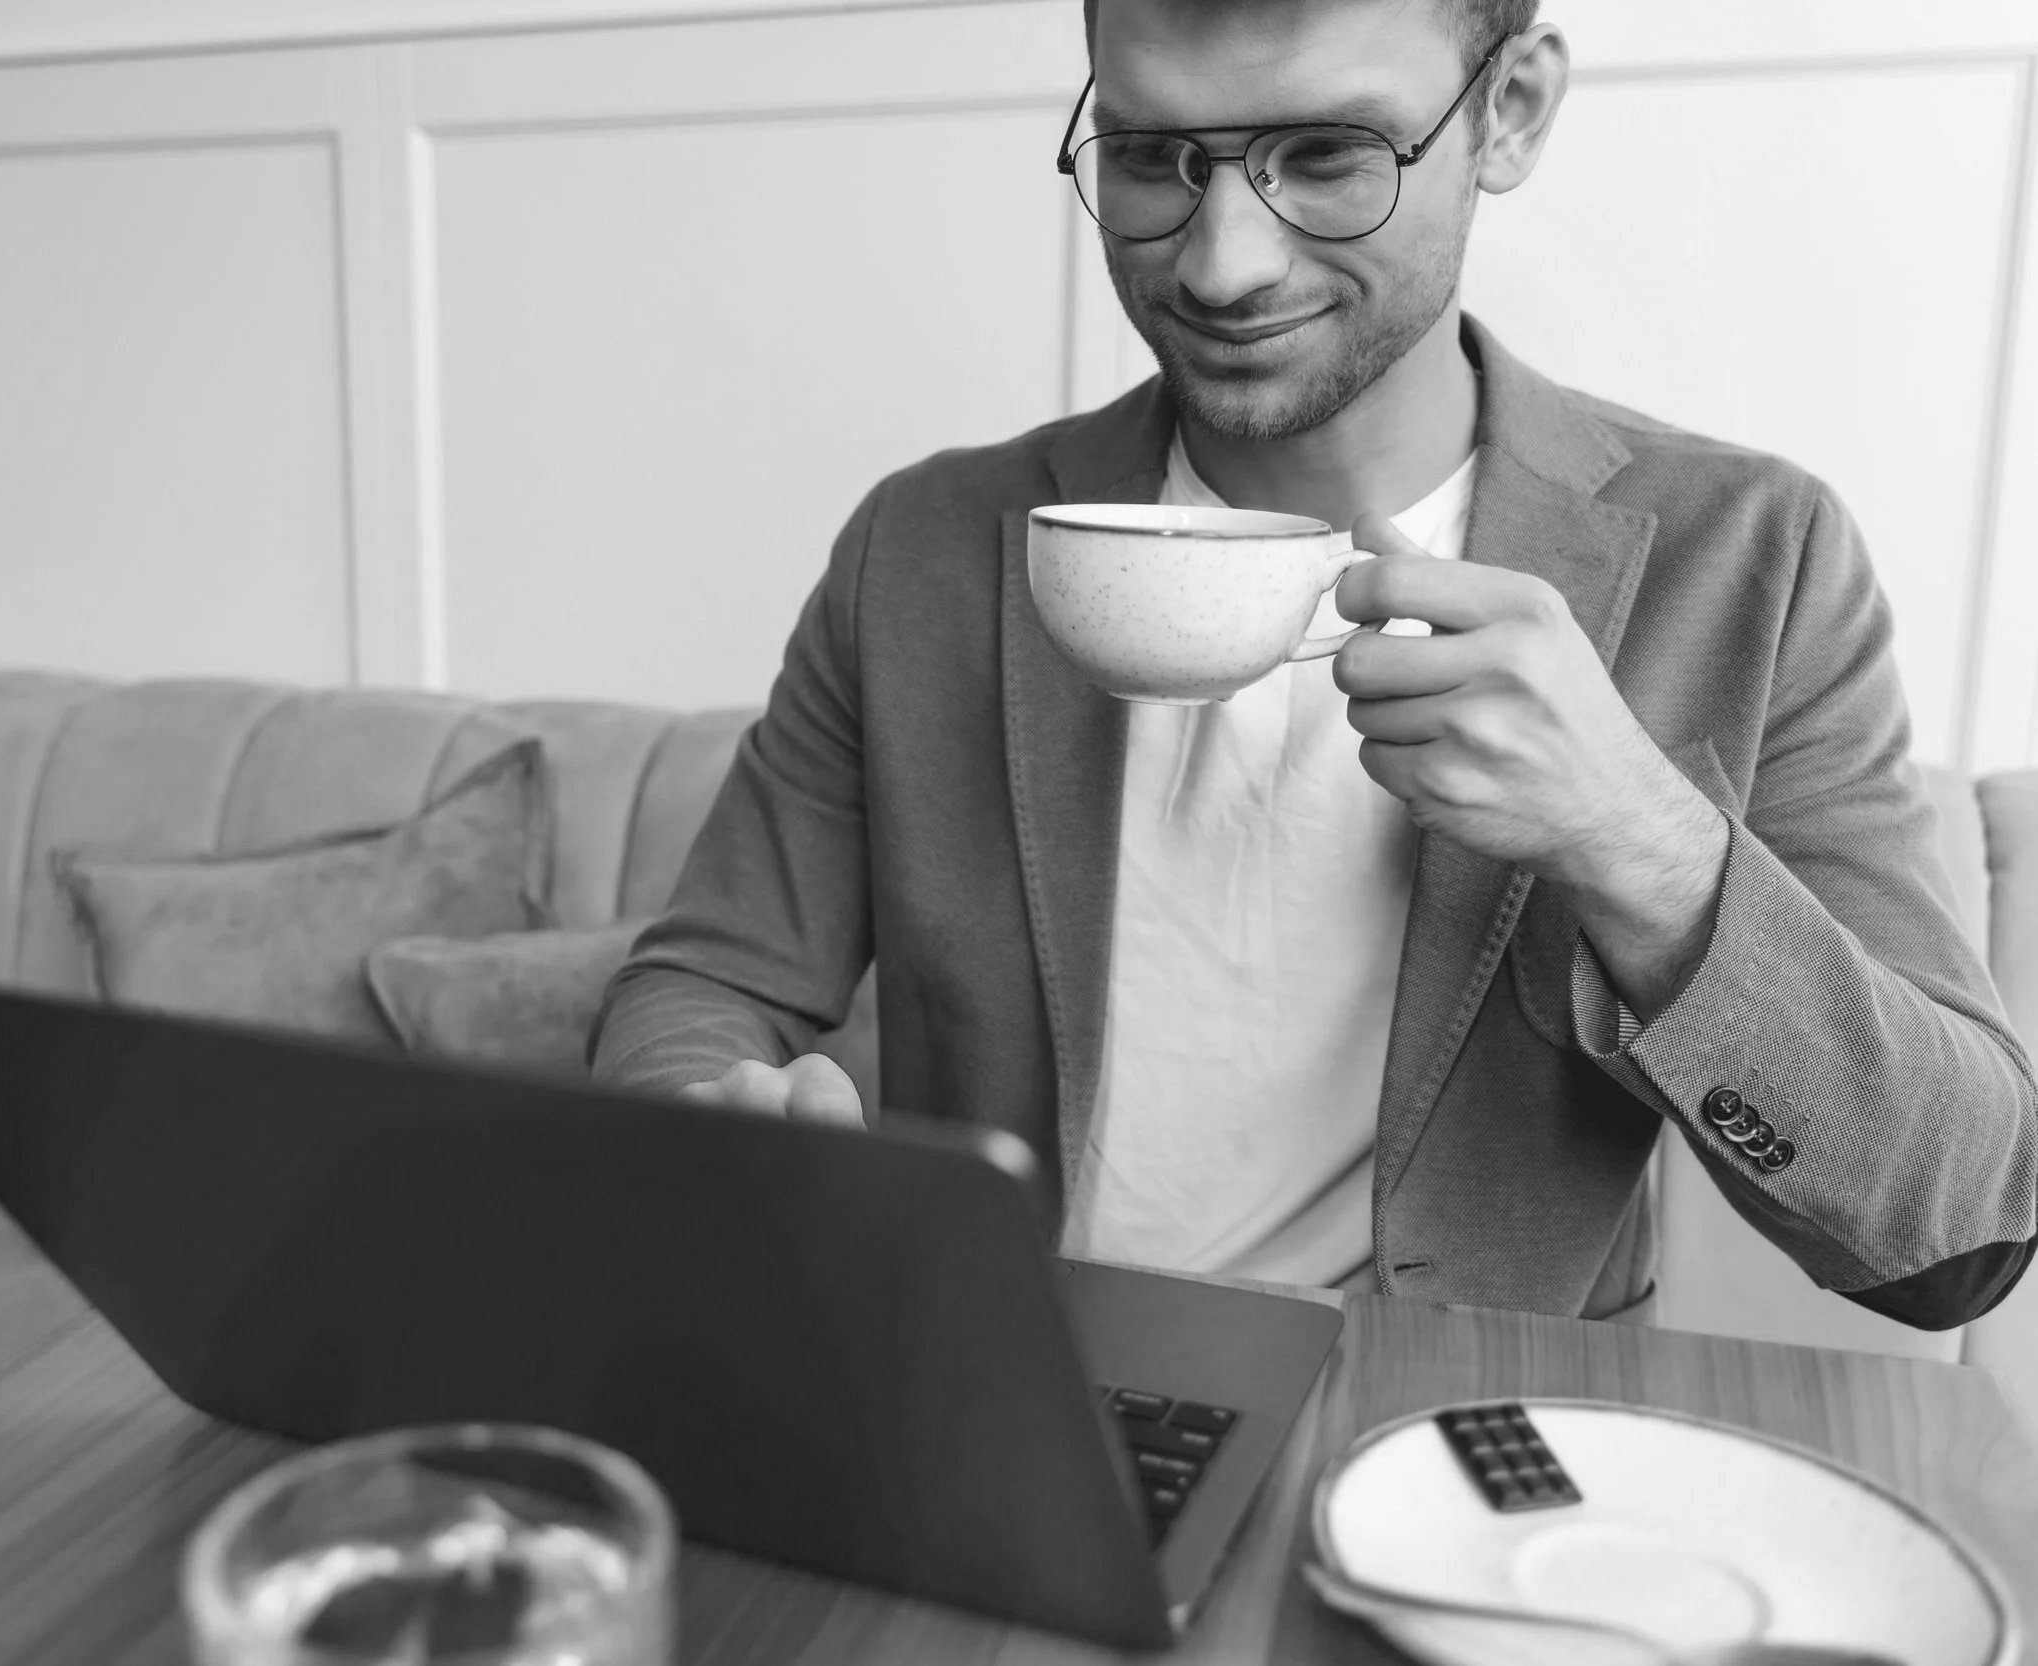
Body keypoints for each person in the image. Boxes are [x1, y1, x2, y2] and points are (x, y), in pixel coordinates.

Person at [591, 0, 2038, 1328]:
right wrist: (710, 1126)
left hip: (1467, 1451)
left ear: (1512, 109)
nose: (1223, 263)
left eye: (1330, 154)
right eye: (1156, 158)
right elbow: (703, 980)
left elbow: (1958, 1237)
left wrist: (1640, 842)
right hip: (1004, 1401)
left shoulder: (1752, 562)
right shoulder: (923, 548)